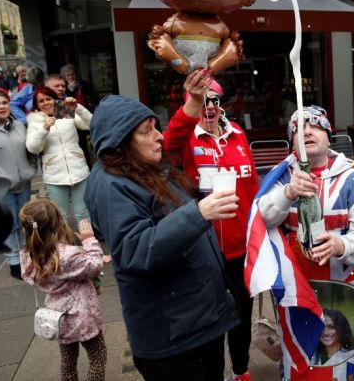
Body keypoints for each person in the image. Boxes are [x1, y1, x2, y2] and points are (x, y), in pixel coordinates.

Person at [84, 91, 240, 381]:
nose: (159, 136)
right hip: (174, 339)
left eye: (156, 127)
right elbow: (135, 250)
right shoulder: (112, 185)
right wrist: (198, 213)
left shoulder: (148, 168)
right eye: (147, 131)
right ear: (120, 141)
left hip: (198, 323)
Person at [255, 105, 354, 381]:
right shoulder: (281, 176)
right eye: (298, 128)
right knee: (301, 357)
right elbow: (260, 220)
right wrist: (287, 193)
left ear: (329, 136)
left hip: (343, 291)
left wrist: (341, 246)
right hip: (297, 294)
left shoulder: (351, 180)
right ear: (292, 141)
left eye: (315, 125)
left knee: (345, 354)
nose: (306, 131)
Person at [163, 70, 258, 381]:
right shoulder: (187, 139)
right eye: (203, 100)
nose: (209, 106)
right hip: (207, 251)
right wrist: (189, 103)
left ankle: (241, 371)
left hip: (242, 247)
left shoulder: (239, 135)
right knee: (214, 323)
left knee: (243, 315)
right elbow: (167, 145)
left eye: (214, 99)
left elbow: (252, 187)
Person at [19, 199, 107, 380]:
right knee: (98, 356)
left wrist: (84, 255)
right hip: (82, 316)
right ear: (57, 224)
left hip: (59, 318)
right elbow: (94, 265)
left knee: (68, 362)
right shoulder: (67, 255)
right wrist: (89, 241)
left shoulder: (28, 256)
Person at [0, 89, 37, 279]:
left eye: (4, 102)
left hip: (24, 185)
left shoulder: (20, 125)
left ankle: (27, 258)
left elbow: (31, 148)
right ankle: (14, 263)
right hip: (1, 187)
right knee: (9, 225)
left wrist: (32, 168)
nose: (2, 106)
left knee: (25, 223)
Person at [25, 87, 92, 227]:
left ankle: (89, 243)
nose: (46, 103)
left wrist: (77, 107)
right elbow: (33, 148)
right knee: (61, 214)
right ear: (37, 105)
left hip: (78, 169)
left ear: (54, 99)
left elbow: (90, 124)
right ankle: (64, 246)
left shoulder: (64, 110)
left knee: (83, 211)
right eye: (41, 101)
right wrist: (44, 129)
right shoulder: (35, 120)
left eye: (48, 99)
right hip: (54, 174)